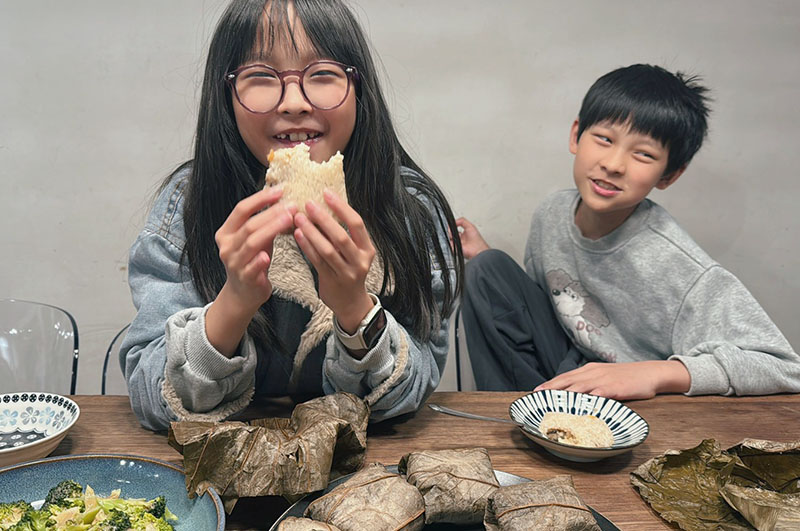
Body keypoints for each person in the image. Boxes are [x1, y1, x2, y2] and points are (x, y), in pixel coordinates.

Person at [121, 0, 464, 431]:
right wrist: (235, 300)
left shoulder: (409, 209)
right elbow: (150, 394)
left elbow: (415, 384)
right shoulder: (189, 203)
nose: (294, 102)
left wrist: (354, 308)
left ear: (359, 87)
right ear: (226, 95)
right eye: (261, 77)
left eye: (322, 74)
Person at [459, 64, 800, 398]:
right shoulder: (552, 213)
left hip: (634, 404)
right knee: (488, 269)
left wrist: (654, 373)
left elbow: (784, 367)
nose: (613, 164)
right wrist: (488, 262)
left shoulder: (681, 267)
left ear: (669, 175)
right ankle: (516, 414)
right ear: (576, 135)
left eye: (643, 154)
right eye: (604, 139)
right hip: (571, 371)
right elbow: (543, 313)